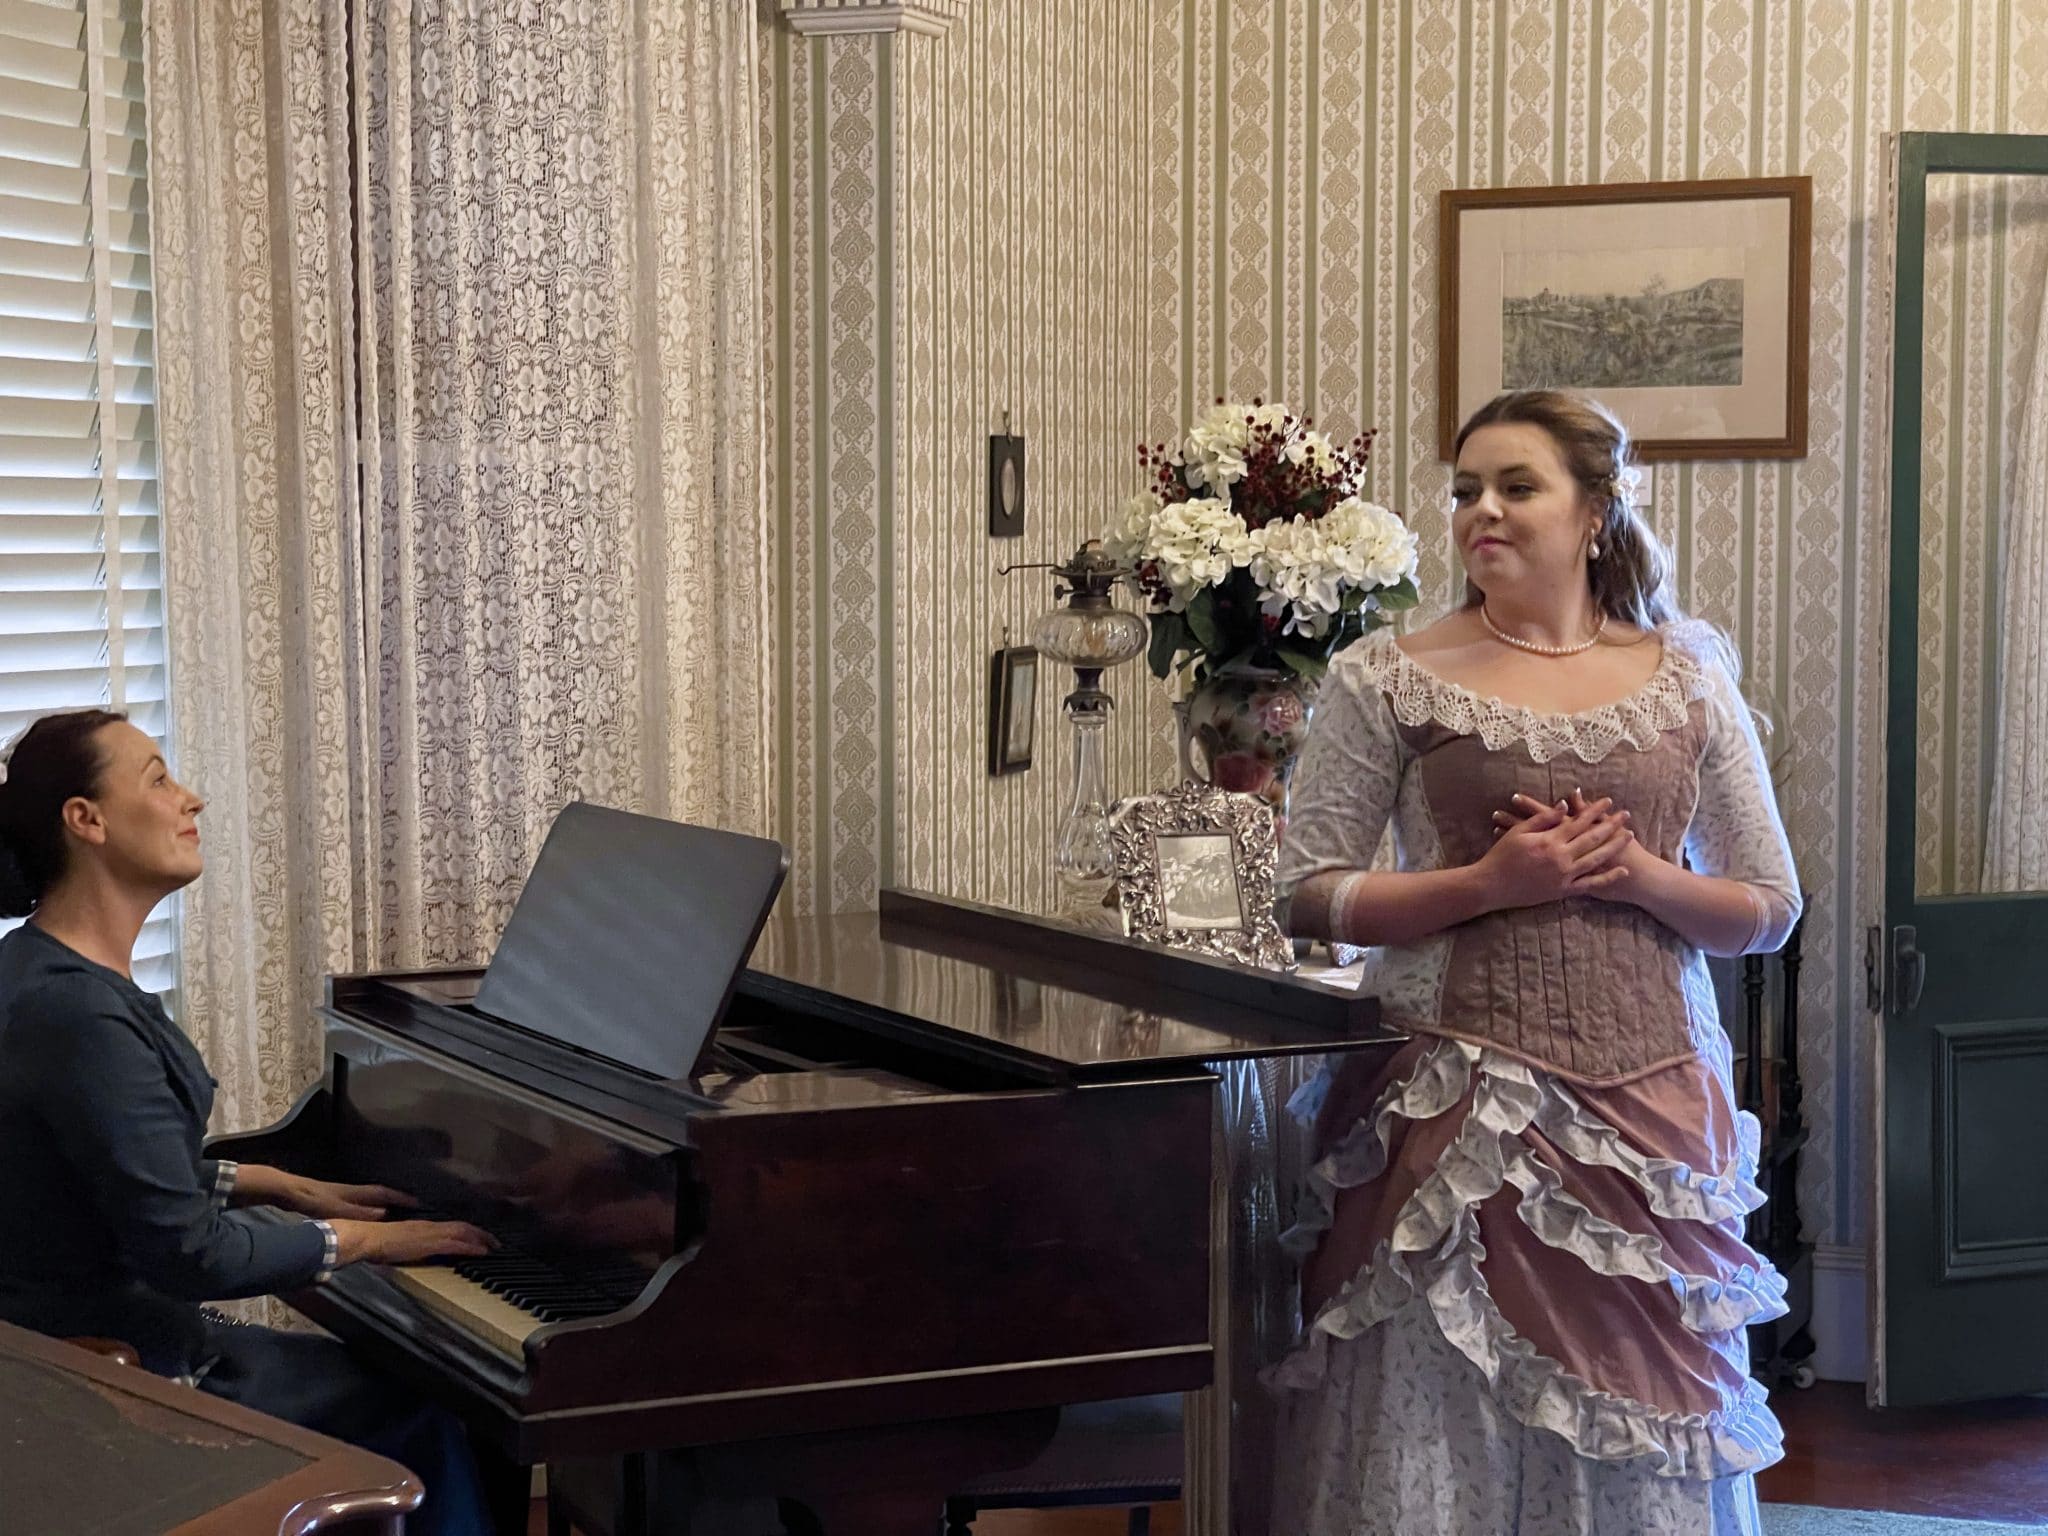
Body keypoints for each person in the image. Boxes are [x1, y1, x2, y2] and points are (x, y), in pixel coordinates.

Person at [1269, 389, 1798, 1534]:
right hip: (1452, 1102)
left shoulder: (1686, 674)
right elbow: (1305, 891)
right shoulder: (1386, 674)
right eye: (1466, 490)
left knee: (1642, 1412)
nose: (1481, 512)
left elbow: (1766, 908)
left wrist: (1640, 876)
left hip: (1651, 1108)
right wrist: (1484, 885)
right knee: (1440, 1409)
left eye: (1516, 486)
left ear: (1594, 512)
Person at [0, 708, 513, 1536]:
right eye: (158, 779)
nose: (191, 799)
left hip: (69, 1348)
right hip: (120, 1383)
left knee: (406, 1378)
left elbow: (91, 1178)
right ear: (86, 820)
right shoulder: (79, 1017)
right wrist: (368, 1241)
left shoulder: (32, 965)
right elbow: (187, 1253)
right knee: (428, 1410)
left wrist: (276, 1183)